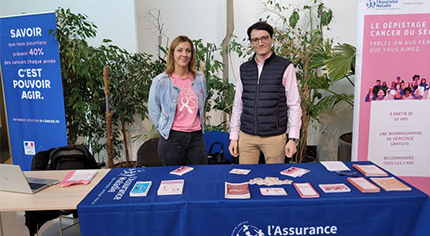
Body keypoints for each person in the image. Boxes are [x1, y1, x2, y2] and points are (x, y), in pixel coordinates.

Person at [228, 21, 302, 164]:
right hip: (246, 136)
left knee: (275, 181)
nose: (260, 43)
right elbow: (238, 104)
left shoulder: (285, 67)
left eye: (264, 38)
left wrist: (293, 138)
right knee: (246, 177)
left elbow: (294, 104)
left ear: (272, 39)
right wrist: (234, 136)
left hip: (274, 137)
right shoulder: (244, 68)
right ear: (251, 43)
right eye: (255, 39)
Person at [148, 35, 207, 166]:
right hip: (172, 138)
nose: (184, 54)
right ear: (172, 53)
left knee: (199, 177)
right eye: (180, 50)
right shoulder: (161, 81)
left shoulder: (200, 79)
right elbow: (153, 110)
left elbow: (202, 102)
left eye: (188, 50)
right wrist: (164, 128)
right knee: (174, 180)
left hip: (196, 137)